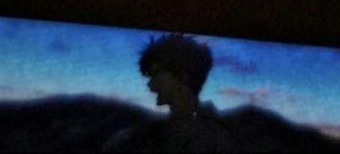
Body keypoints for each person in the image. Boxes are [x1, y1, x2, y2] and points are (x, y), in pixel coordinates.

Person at [102, 34, 238, 153]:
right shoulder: (145, 133)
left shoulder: (214, 138)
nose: (150, 84)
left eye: (155, 74)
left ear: (183, 77)